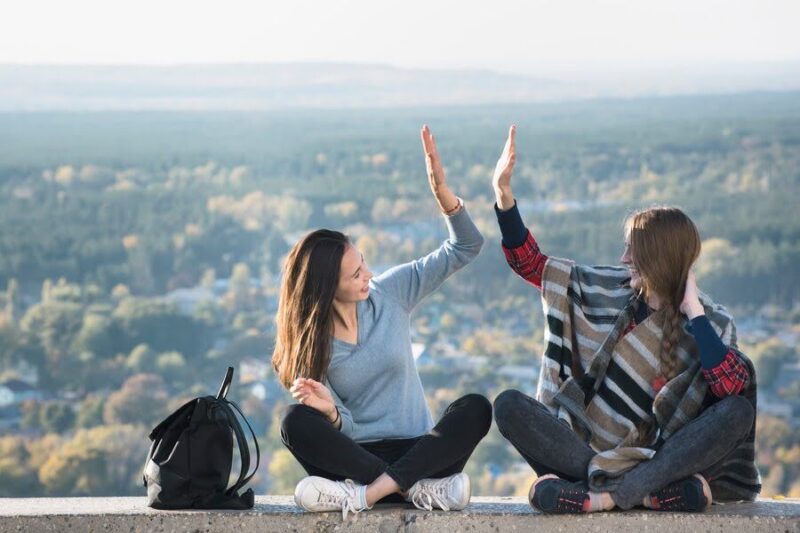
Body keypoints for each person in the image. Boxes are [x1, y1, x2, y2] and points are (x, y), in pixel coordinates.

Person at [490, 126, 760, 514]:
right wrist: (503, 196)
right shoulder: (608, 288)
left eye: (631, 251)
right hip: (586, 452)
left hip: (660, 459)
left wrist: (694, 314)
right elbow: (533, 265)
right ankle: (643, 496)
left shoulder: (711, 321)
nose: (622, 259)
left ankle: (599, 497)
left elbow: (731, 388)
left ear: (656, 259)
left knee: (738, 412)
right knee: (509, 406)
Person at [273, 125, 492, 519]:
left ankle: (366, 496)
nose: (368, 275)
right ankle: (416, 491)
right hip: (357, 457)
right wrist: (333, 416)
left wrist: (447, 200)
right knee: (294, 421)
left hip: (420, 451)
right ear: (325, 290)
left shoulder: (389, 293)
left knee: (476, 407)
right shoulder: (310, 348)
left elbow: (466, 247)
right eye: (355, 275)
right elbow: (345, 432)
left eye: (363, 264)